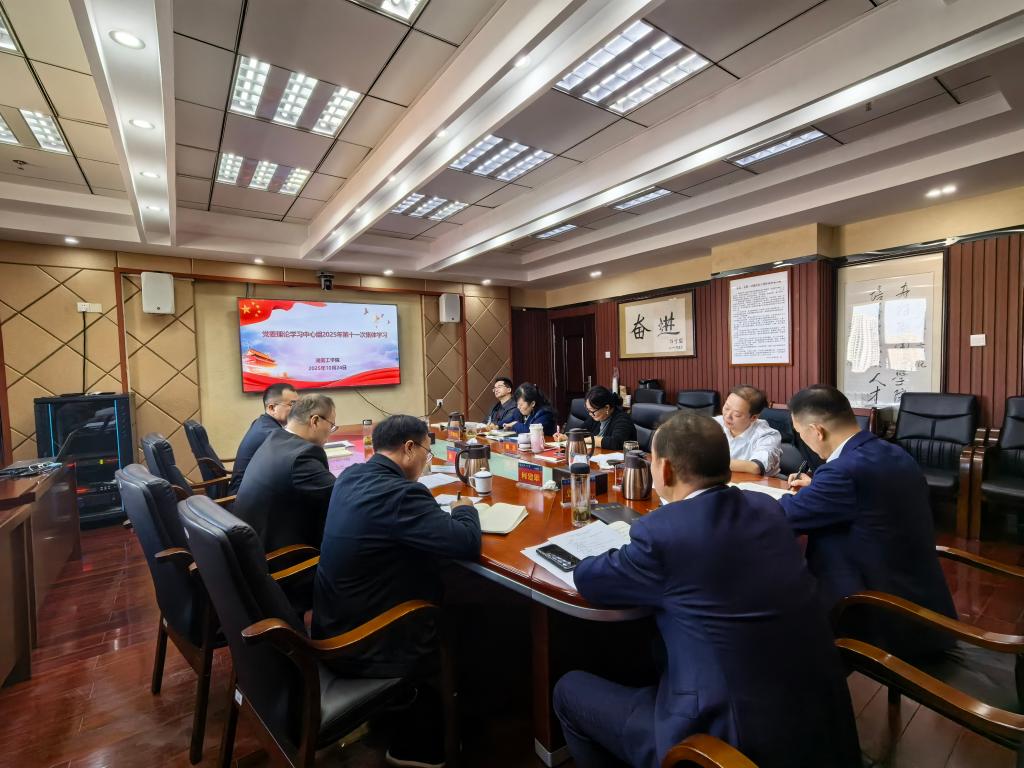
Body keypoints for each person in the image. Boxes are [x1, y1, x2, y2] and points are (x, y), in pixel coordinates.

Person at [553, 412, 860, 768]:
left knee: (568, 691)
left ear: (664, 469)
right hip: (820, 723)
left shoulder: (664, 533)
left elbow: (590, 579)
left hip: (725, 742)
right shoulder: (767, 509)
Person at [314, 415, 481, 768]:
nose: (425, 460)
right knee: (469, 614)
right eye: (426, 452)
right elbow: (465, 542)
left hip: (333, 622)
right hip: (366, 642)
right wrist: (465, 510)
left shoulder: (350, 476)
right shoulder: (402, 494)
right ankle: (424, 738)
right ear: (408, 448)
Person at [780, 385, 956, 659]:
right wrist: (818, 488)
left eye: (801, 433)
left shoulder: (842, 473)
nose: (804, 440)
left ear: (817, 431)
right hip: (922, 602)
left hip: (883, 617)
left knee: (782, 616)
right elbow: (866, 496)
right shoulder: (893, 452)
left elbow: (785, 516)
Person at [232, 394, 338, 552]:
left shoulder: (274, 438)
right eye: (332, 425)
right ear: (315, 421)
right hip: (282, 556)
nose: (331, 432)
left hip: (254, 543)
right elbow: (341, 496)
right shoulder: (302, 457)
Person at [228, 383, 298, 494]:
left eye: (298, 404)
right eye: (292, 404)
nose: (298, 410)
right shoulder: (271, 434)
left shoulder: (262, 422)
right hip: (243, 497)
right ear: (272, 408)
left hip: (246, 489)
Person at [714, 384, 782, 476]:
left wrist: (710, 462)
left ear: (753, 417)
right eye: (726, 408)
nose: (728, 416)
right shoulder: (715, 424)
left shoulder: (767, 435)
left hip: (758, 483)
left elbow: (755, 467)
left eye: (737, 414)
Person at [553, 385, 636, 450]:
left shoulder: (622, 419)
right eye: (588, 410)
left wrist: (589, 440)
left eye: (592, 411)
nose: (590, 414)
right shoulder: (596, 418)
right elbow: (581, 431)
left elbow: (616, 442)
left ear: (607, 407)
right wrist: (566, 436)